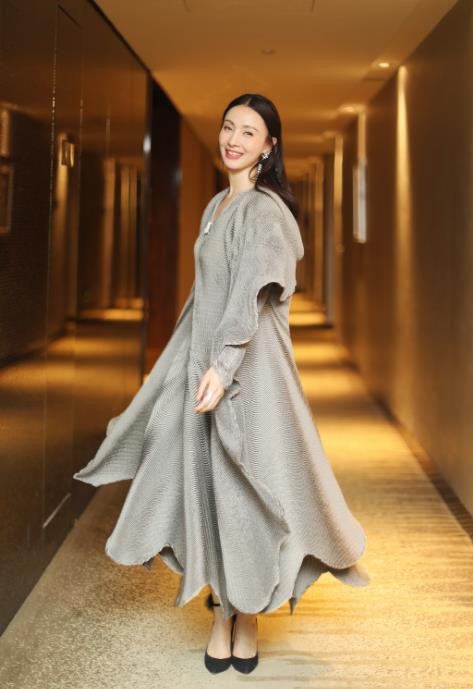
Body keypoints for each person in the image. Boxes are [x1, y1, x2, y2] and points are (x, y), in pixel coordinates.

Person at [73, 93, 370, 676]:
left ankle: (247, 614)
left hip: (252, 379)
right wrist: (183, 366)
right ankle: (222, 607)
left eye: (249, 132)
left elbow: (249, 296)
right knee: (208, 490)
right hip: (206, 371)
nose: (234, 139)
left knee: (249, 493)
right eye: (229, 127)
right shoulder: (216, 205)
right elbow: (205, 296)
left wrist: (224, 364)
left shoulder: (266, 211)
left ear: (269, 147)